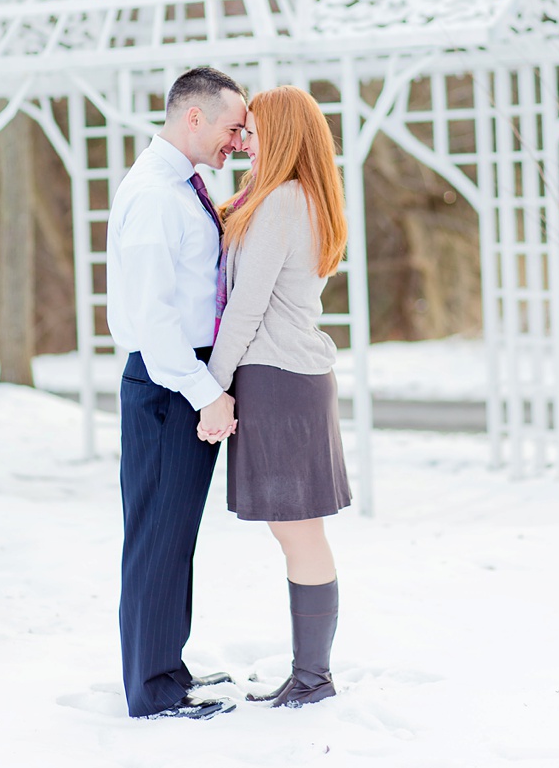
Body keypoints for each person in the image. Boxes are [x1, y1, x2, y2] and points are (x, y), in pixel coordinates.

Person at [204, 85, 352, 708]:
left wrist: (210, 388)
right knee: (295, 531)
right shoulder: (288, 197)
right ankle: (308, 675)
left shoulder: (286, 201)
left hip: (280, 379)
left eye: (256, 132)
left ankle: (313, 679)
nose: (245, 141)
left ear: (285, 137)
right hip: (287, 377)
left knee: (299, 532)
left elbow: (246, 306)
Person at [108, 65, 248, 720]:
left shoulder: (181, 185)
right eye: (231, 126)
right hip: (169, 384)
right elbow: (153, 318)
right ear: (193, 116)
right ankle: (154, 689)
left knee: (173, 535)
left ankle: (167, 667)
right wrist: (205, 392)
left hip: (180, 378)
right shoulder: (156, 195)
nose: (238, 138)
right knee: (157, 537)